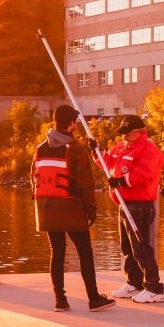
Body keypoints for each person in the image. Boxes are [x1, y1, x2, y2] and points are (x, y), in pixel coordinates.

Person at [33, 105, 115, 313]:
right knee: (85, 253)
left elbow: (33, 176)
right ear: (71, 123)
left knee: (56, 253)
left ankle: (60, 300)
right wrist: (91, 209)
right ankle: (94, 299)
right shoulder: (75, 149)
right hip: (71, 208)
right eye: (75, 122)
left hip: (47, 208)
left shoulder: (41, 147)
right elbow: (85, 184)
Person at [104, 115, 164, 304]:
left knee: (141, 247)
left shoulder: (148, 149)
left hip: (139, 205)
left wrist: (122, 181)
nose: (123, 136)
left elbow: (145, 174)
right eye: (122, 133)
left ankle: (154, 288)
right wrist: (96, 151)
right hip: (124, 204)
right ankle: (134, 282)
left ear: (139, 132)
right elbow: (108, 163)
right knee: (127, 248)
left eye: (127, 133)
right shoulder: (122, 148)